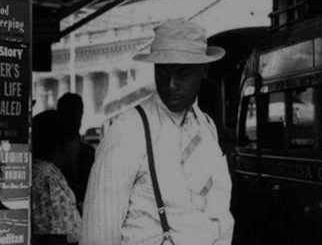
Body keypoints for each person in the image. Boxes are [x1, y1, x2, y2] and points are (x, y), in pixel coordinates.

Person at [81, 19, 234, 245]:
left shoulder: (206, 126)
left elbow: (218, 212)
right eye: (162, 73)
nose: (171, 84)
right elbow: (99, 232)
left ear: (204, 70)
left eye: (182, 74)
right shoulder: (129, 129)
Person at [31, 110, 81, 245]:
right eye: (77, 140)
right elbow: (56, 236)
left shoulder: (39, 171)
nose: (79, 147)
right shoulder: (48, 178)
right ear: (66, 143)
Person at [57, 92, 95, 211]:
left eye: (77, 113)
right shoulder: (52, 151)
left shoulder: (88, 152)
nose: (75, 118)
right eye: (70, 112)